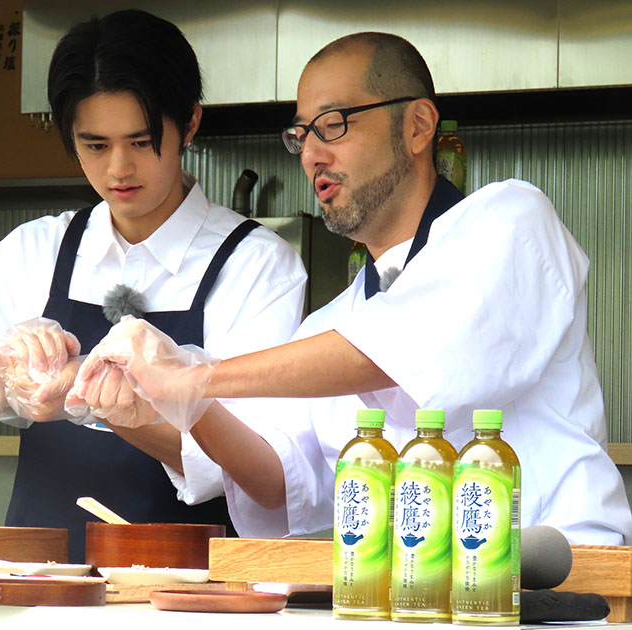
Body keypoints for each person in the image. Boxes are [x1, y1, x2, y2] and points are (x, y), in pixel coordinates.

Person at [69, 31, 632, 545]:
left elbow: (398, 349)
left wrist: (194, 375)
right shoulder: (330, 324)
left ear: (417, 125)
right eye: (301, 134)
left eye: (334, 123)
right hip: (416, 596)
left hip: (558, 583)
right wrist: (169, 401)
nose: (313, 152)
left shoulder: (510, 221)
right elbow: (276, 481)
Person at [0, 9, 307, 562]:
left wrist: (124, 414)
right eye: (94, 145)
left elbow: (256, 466)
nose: (119, 168)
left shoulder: (257, 265)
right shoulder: (34, 251)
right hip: (37, 584)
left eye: (141, 142)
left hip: (186, 593)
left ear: (189, 123)